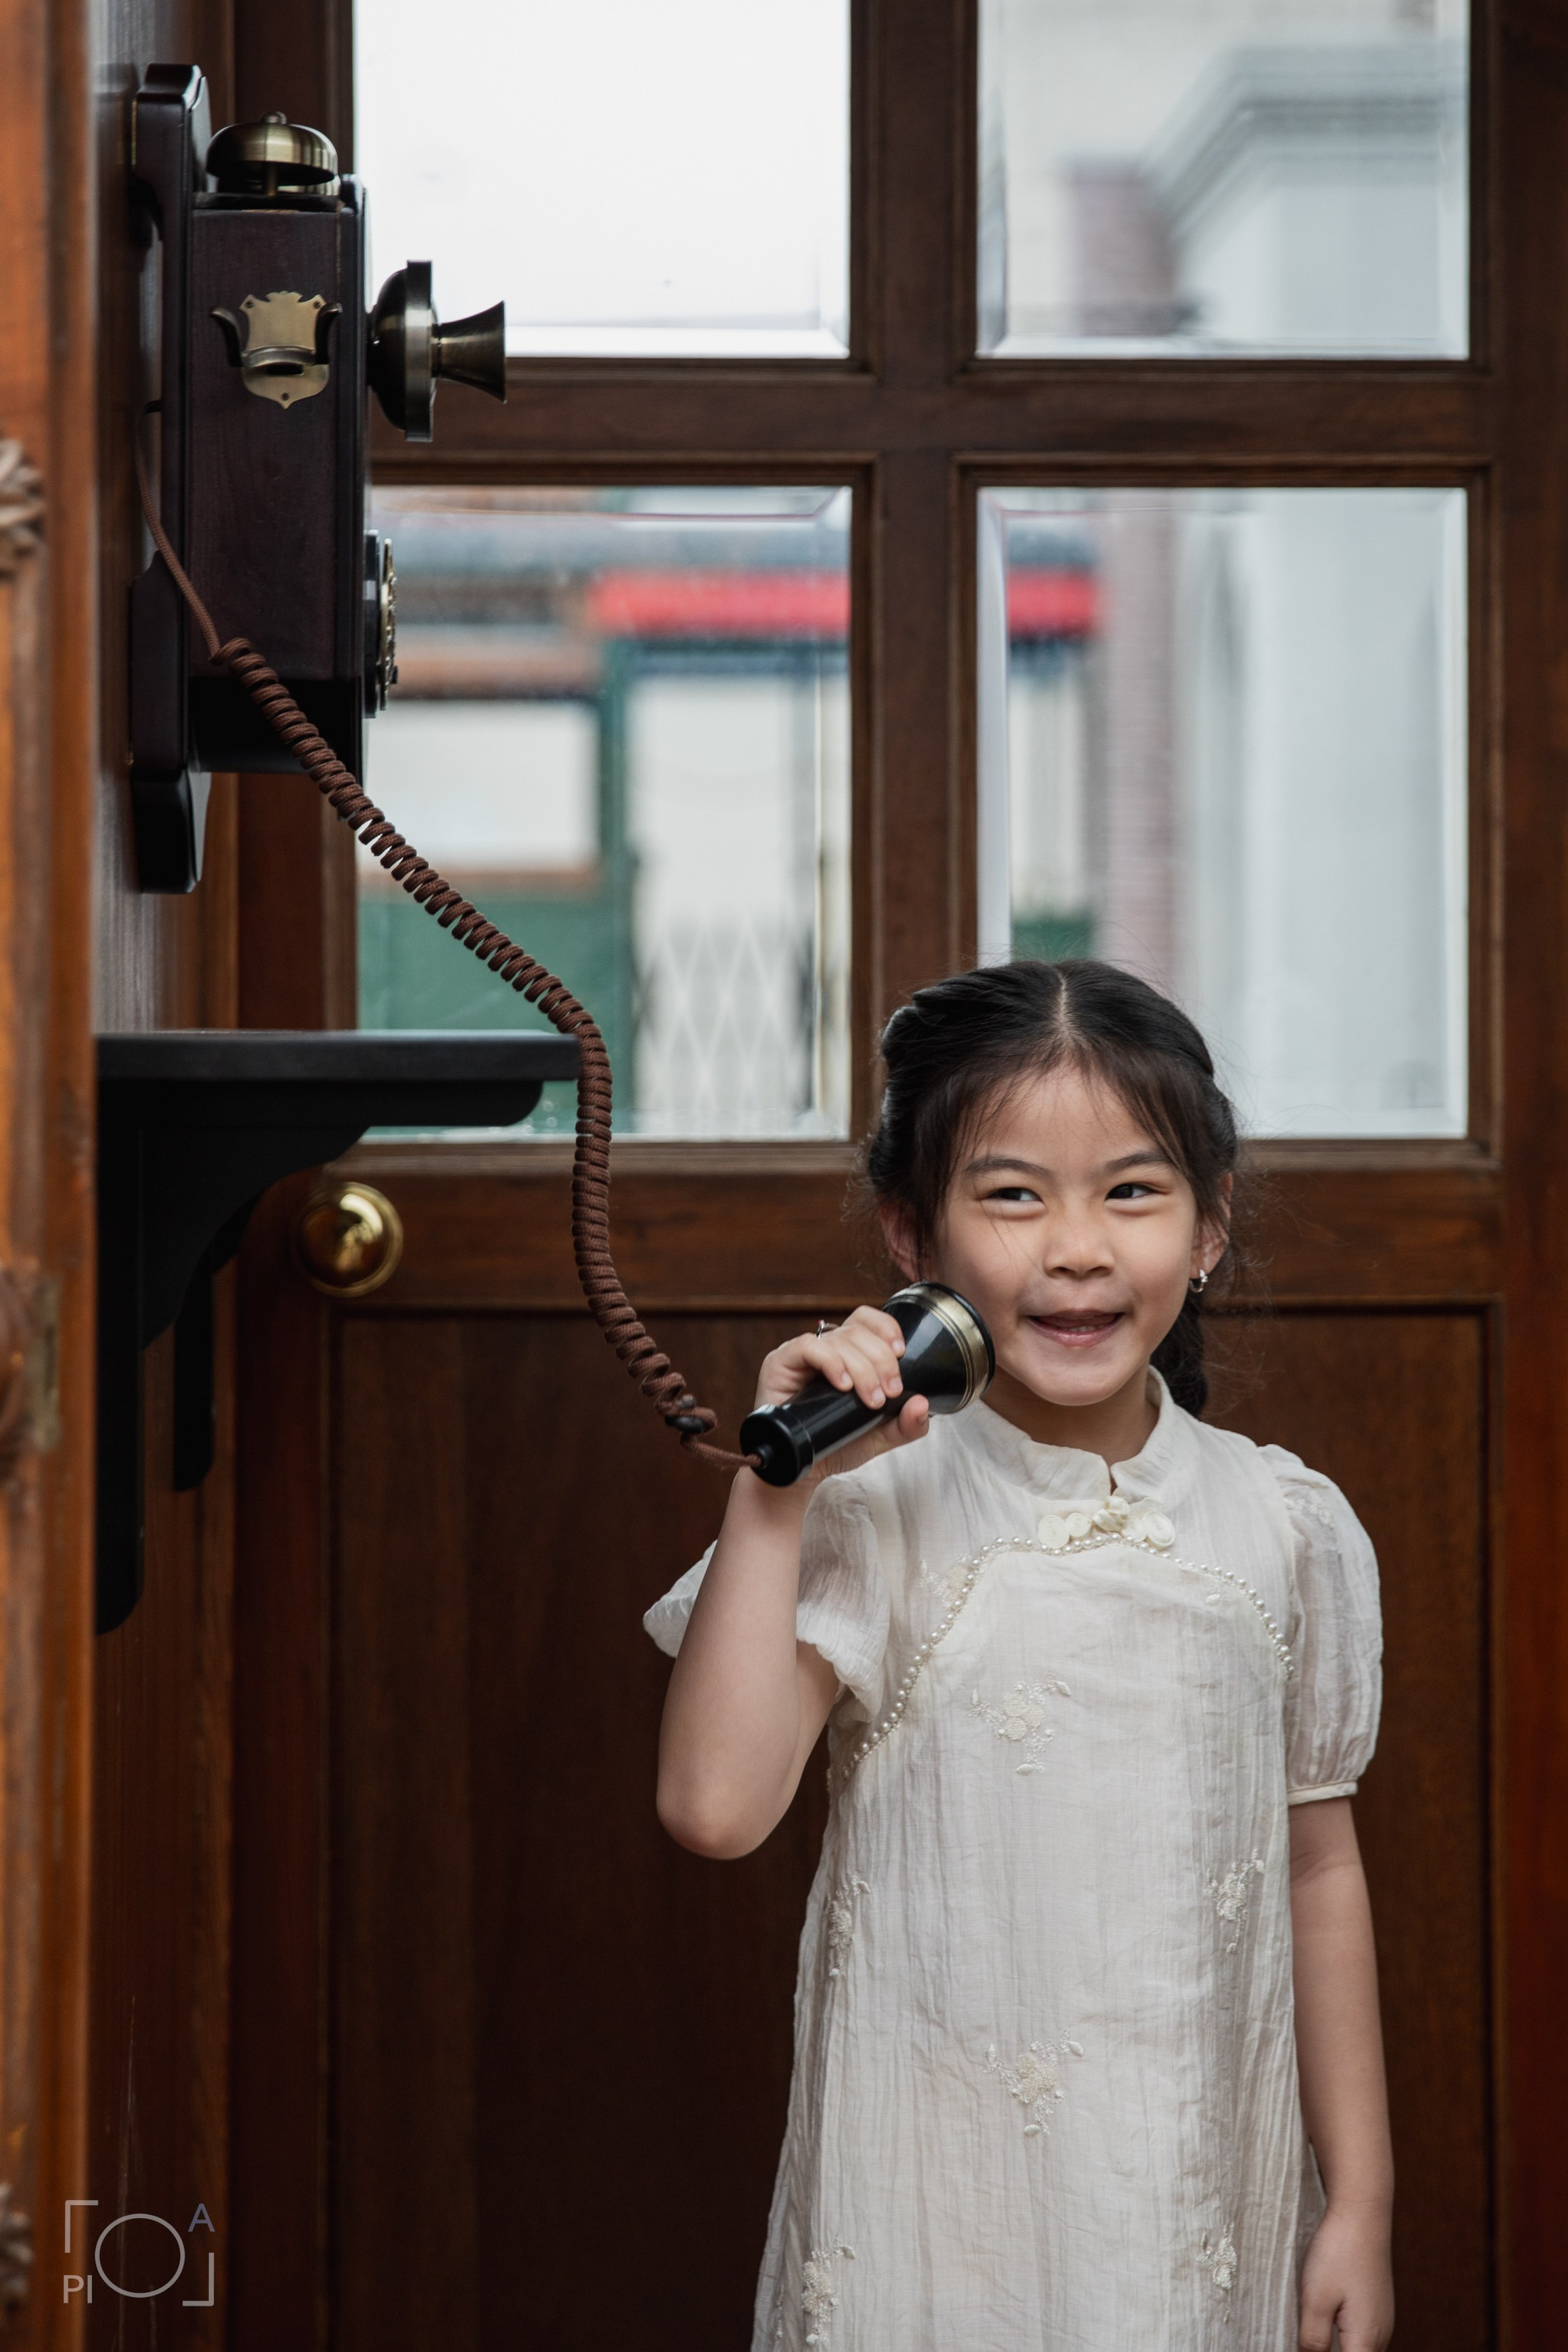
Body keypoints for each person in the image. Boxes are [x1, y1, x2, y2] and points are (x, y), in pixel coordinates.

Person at [645, 959, 1392, 2352]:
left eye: (1130, 1191)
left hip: (1196, 2215)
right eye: (1011, 1195)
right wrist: (777, 1490)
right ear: (910, 1234)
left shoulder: (1284, 1523)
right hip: (935, 2233)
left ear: (1210, 1226)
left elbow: (1317, 1869)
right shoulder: (867, 1510)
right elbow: (713, 1806)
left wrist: (1357, 2197)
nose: (1076, 1248)